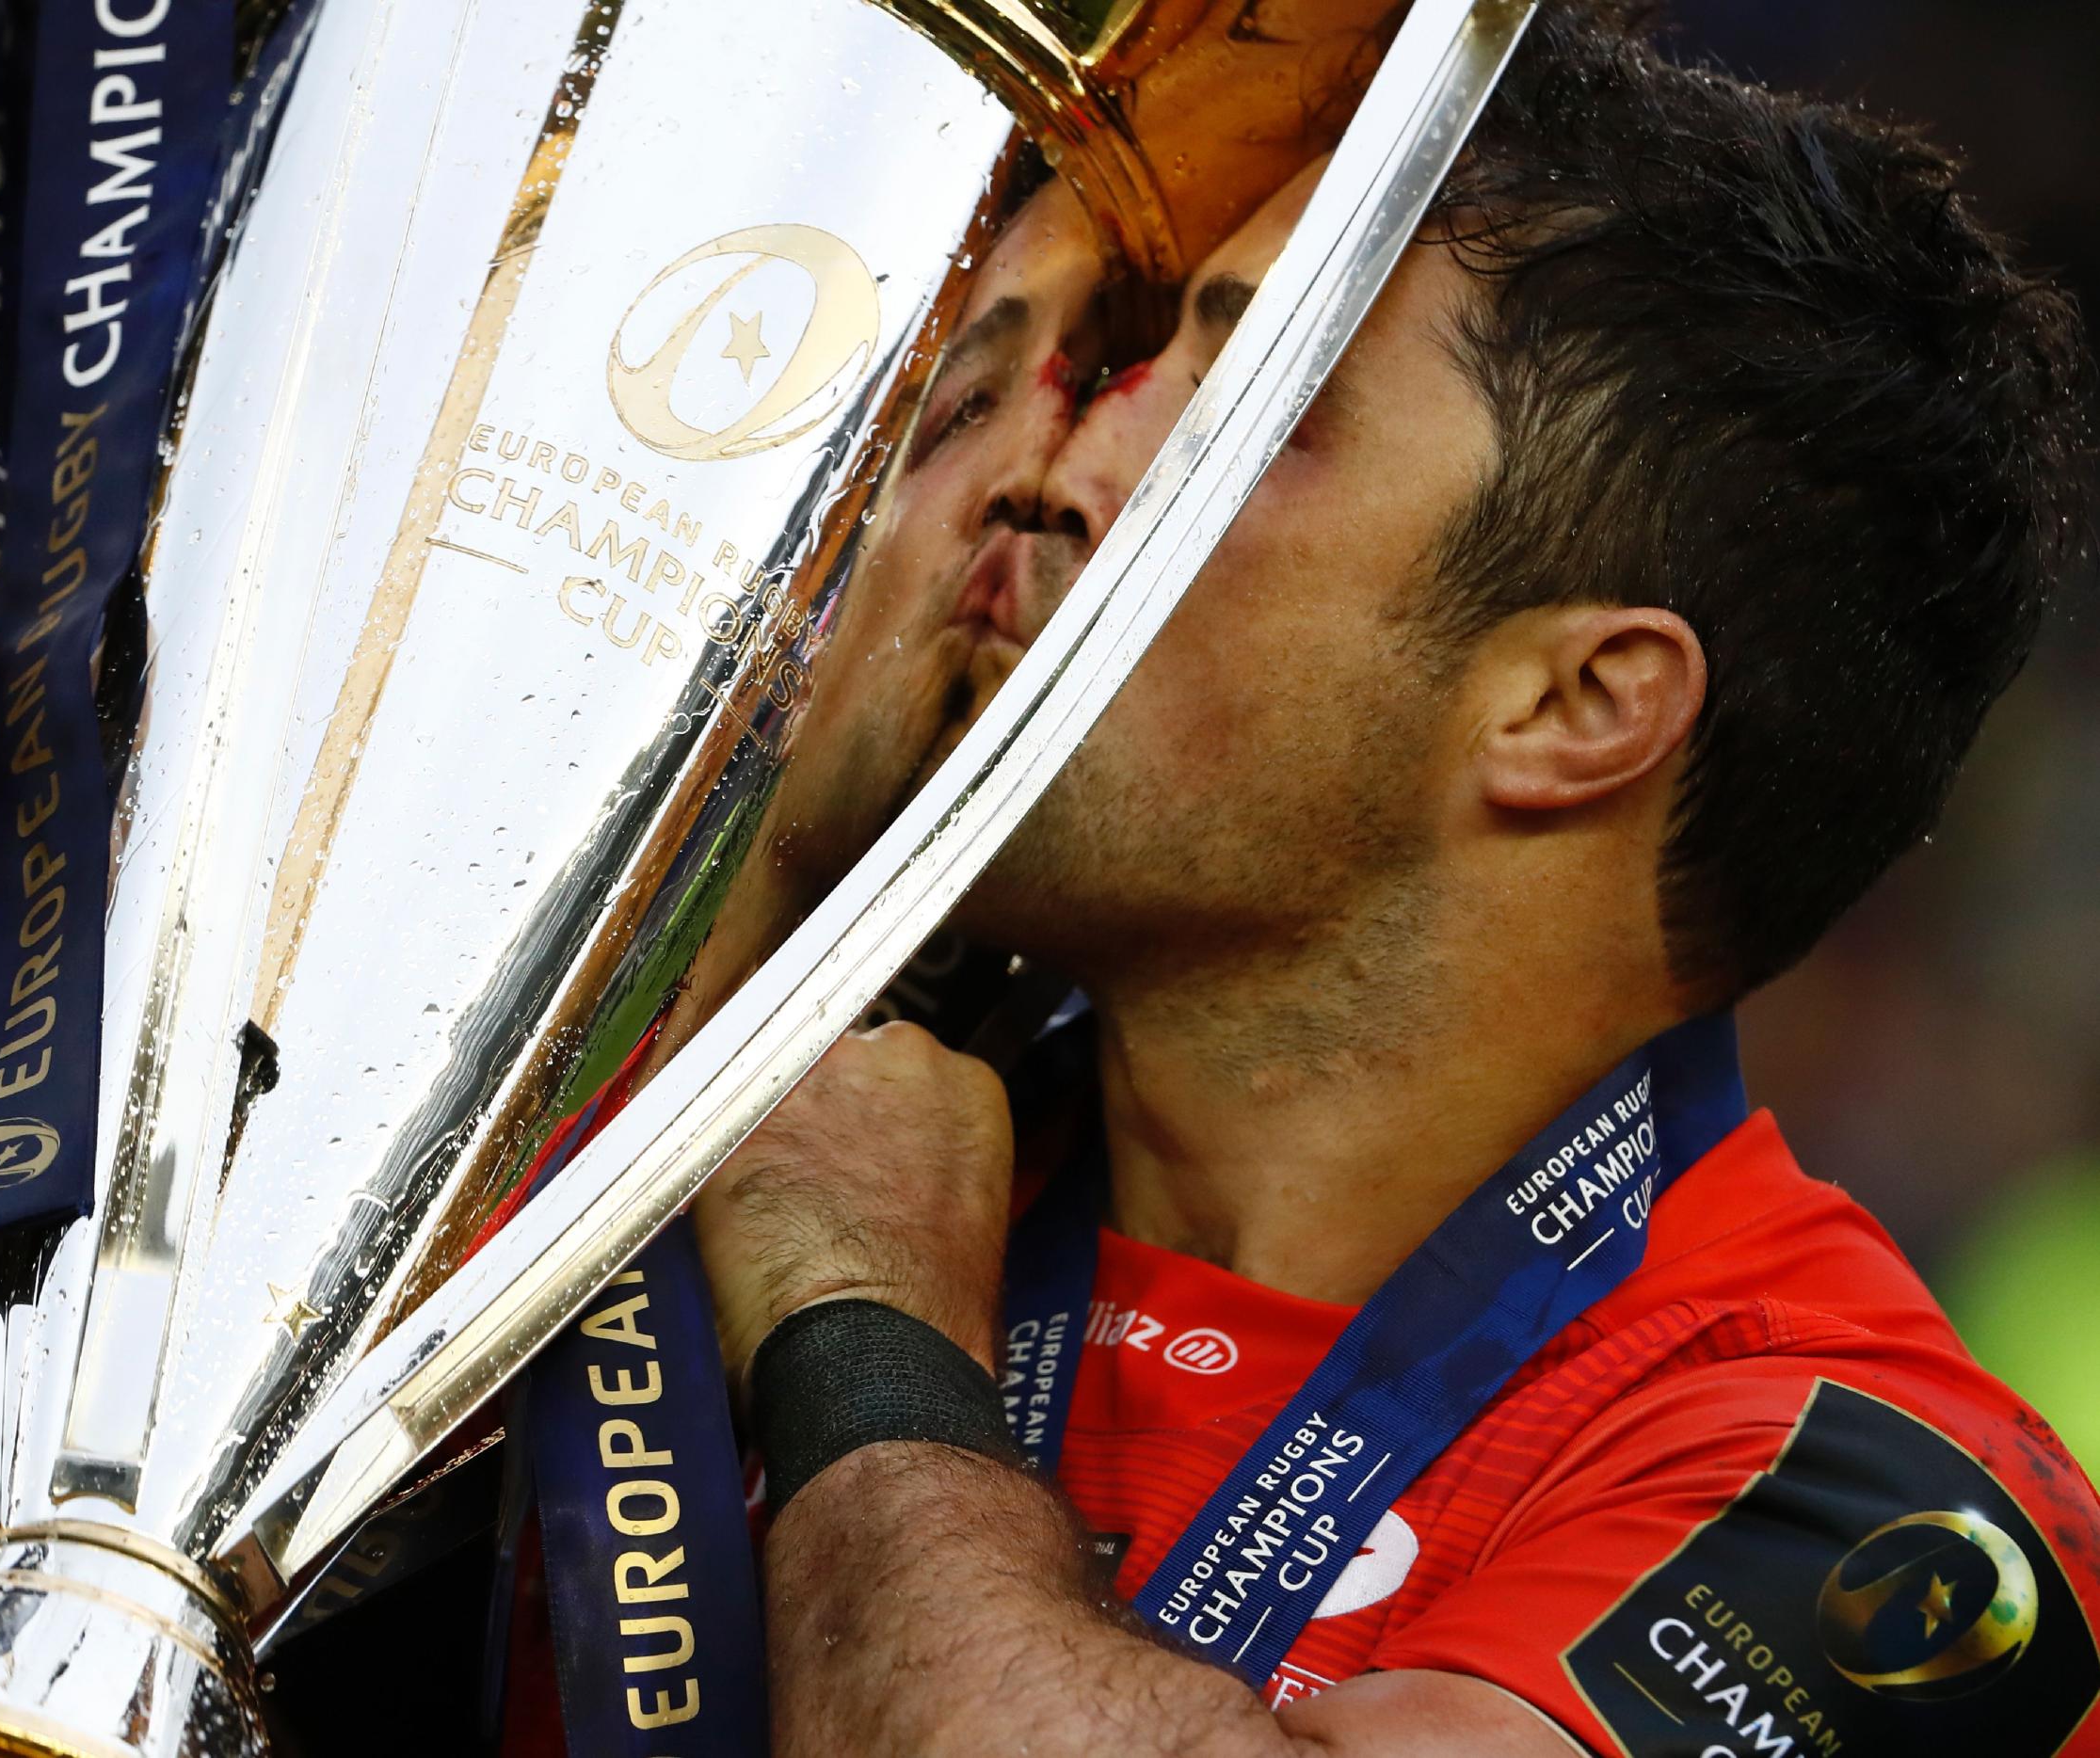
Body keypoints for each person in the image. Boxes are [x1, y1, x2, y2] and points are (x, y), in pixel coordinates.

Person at [687, 10, 2100, 1758]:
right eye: (1135, 355)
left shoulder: (1866, 1506)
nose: (1064, 450)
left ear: (1572, 706)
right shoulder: (753, 1110)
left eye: (1256, 403)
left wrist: (869, 1340)